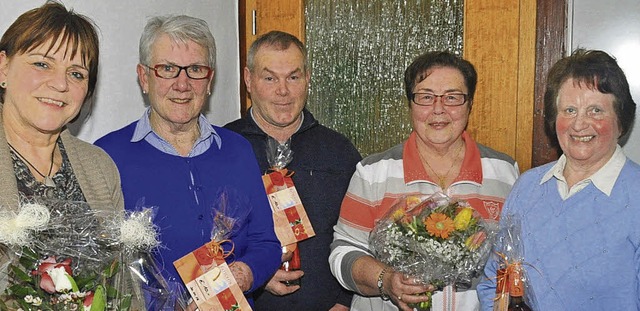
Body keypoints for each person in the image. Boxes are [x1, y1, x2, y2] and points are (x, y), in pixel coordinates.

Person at [94, 15, 281, 307]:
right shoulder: (107, 156)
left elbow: (266, 243)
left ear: (209, 81)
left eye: (195, 69)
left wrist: (243, 274)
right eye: (167, 69)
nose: (182, 84)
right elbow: (99, 266)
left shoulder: (237, 149)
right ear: (144, 77)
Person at [329, 51, 520, 311]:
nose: (439, 109)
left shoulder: (505, 172)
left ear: (470, 104)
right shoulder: (373, 172)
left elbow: (515, 258)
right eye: (426, 97)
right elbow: (342, 253)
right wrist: (386, 280)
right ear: (410, 104)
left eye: (452, 97)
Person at [477, 49, 639, 310]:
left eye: (595, 110)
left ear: (620, 121)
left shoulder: (636, 195)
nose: (579, 124)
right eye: (570, 110)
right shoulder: (527, 188)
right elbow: (494, 283)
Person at [225, 30, 362, 310]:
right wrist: (255, 273)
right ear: (249, 80)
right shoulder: (223, 148)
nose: (283, 91)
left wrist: (344, 301)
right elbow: (204, 239)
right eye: (270, 78)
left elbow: (360, 235)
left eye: (293, 77)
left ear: (307, 79)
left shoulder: (339, 151)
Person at [0, 0, 124, 299]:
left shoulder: (100, 167)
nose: (60, 84)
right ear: (3, 68)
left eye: (77, 74)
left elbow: (122, 284)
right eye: (42, 63)